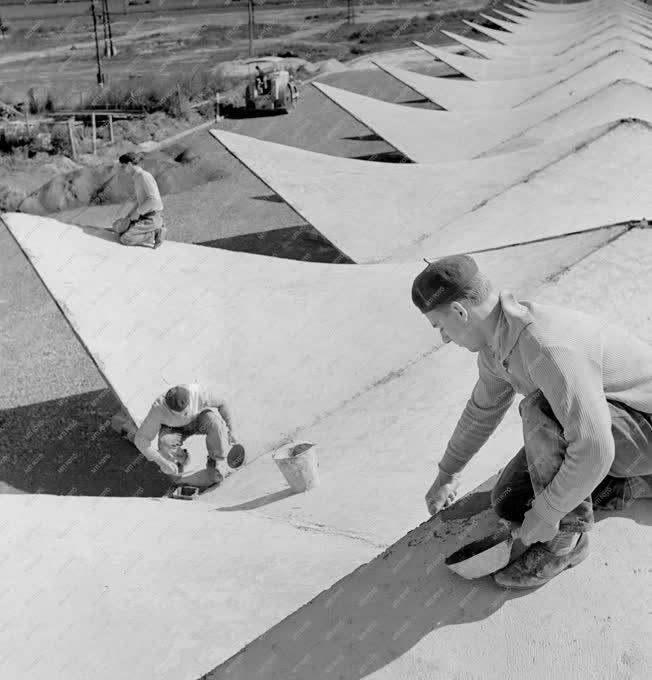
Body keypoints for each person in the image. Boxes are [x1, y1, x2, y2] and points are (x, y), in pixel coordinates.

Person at [411, 254, 652, 589]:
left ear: (459, 312)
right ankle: (637, 483)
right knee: (510, 501)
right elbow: (482, 410)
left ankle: (567, 544)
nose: (445, 339)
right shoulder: (497, 344)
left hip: (645, 425)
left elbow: (595, 448)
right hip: (626, 430)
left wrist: (549, 514)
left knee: (540, 411)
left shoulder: (543, 345)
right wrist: (447, 473)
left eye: (440, 327)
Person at [134, 383, 244, 484]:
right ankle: (180, 462)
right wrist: (162, 462)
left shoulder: (198, 393)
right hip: (174, 429)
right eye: (180, 414)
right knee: (165, 442)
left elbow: (222, 403)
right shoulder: (158, 409)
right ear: (169, 409)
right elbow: (140, 439)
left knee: (215, 424)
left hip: (198, 420)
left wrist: (232, 430)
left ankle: (213, 462)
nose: (184, 414)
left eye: (186, 411)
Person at [113, 152, 166, 248]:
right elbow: (141, 201)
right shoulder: (137, 177)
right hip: (144, 215)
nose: (122, 169)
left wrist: (138, 212)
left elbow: (153, 199)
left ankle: (155, 233)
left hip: (152, 217)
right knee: (117, 228)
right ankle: (151, 230)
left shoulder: (143, 176)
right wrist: (129, 216)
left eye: (123, 166)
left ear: (129, 164)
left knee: (125, 238)